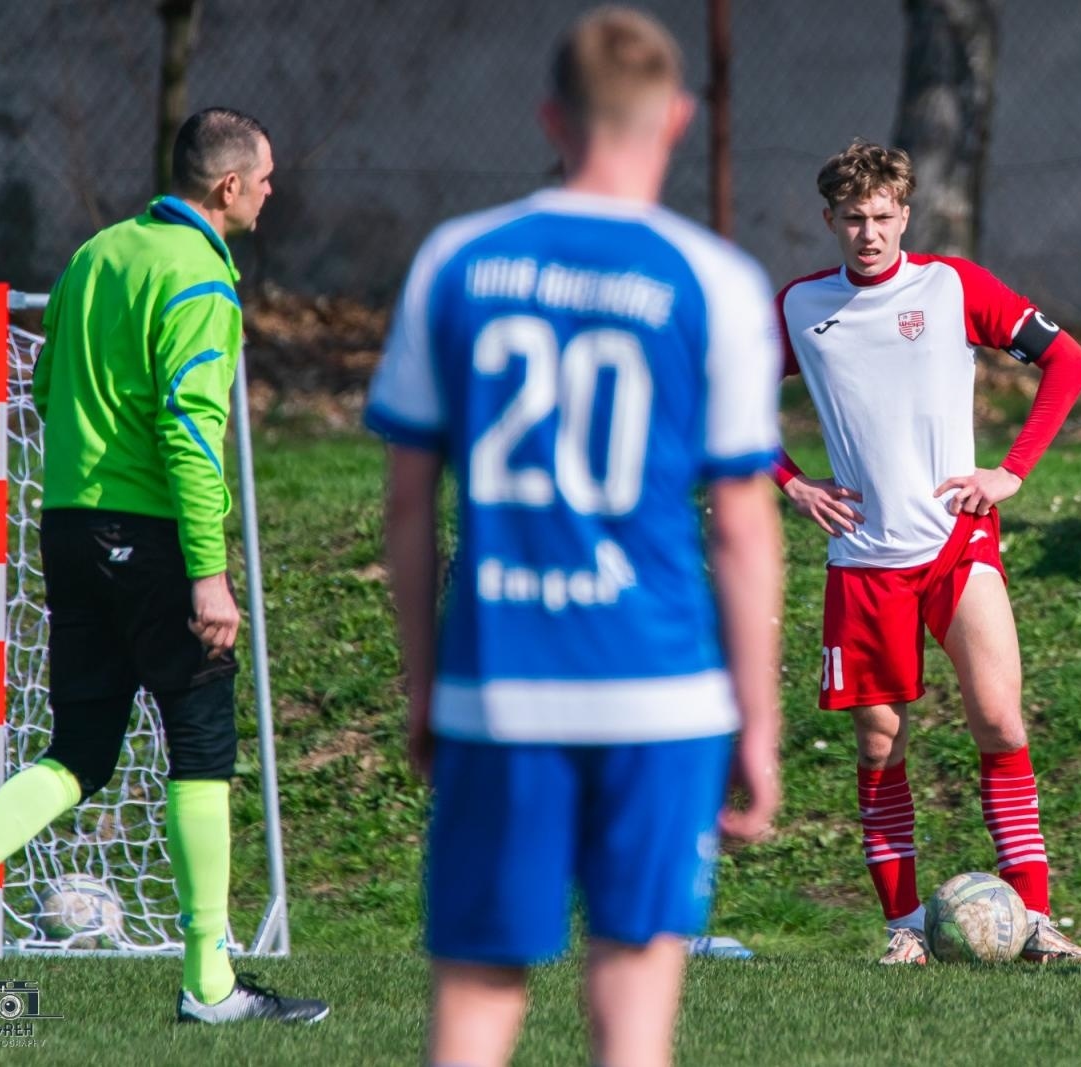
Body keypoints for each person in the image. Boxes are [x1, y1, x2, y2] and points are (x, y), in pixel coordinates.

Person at [365, 8, 783, 1066]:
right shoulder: (717, 281)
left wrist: (423, 685)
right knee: (629, 1015)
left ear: (551, 117)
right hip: (662, 690)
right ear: (679, 120)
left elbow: (409, 504)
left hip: (499, 684)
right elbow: (740, 522)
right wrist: (759, 720)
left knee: (478, 995)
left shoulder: (455, 260)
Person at [0, 108, 327, 1024]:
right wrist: (209, 571)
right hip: (152, 536)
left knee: (79, 751)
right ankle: (210, 981)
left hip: (70, 527)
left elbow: (43, 387)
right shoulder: (200, 279)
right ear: (227, 188)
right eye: (266, 176)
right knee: (202, 744)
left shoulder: (95, 255)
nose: (274, 189)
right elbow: (191, 434)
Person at [774, 140, 1081, 966]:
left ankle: (1035, 920)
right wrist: (792, 482)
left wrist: (1011, 471)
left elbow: (1068, 361)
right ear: (830, 222)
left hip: (959, 540)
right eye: (853, 218)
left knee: (998, 718)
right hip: (863, 559)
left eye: (883, 217)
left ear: (906, 215)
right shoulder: (800, 308)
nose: (869, 233)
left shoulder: (952, 286)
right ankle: (905, 928)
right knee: (881, 744)